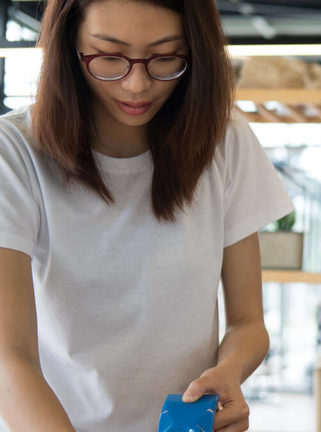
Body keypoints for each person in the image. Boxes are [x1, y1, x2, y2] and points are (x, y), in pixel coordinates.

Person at [0, 0, 293, 431]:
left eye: (166, 58)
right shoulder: (15, 152)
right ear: (68, 50)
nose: (137, 84)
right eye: (109, 57)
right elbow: (10, 354)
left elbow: (248, 323)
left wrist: (228, 373)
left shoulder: (225, 144)